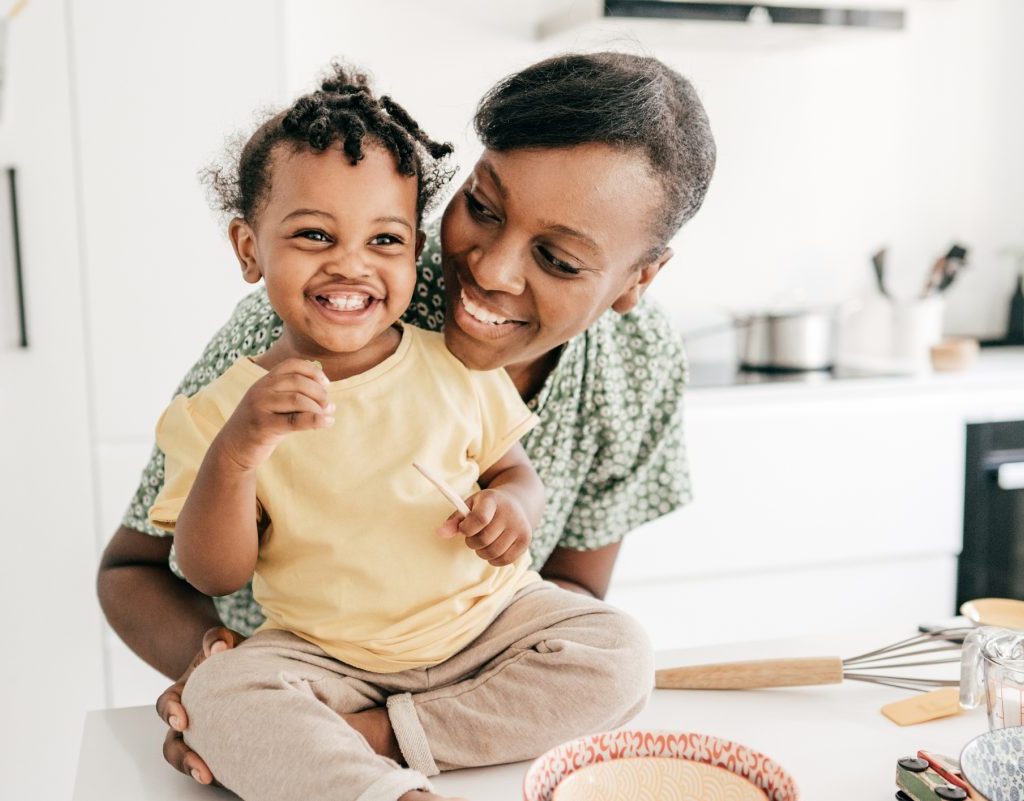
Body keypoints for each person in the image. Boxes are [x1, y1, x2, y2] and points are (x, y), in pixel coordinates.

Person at [97, 51, 716, 788]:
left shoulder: (636, 359)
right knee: (228, 697)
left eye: (556, 257)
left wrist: (509, 511)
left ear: (638, 279)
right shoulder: (323, 318)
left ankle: (356, 748)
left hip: (466, 654)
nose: (491, 270)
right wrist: (217, 677)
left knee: (621, 655)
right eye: (482, 207)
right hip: (309, 657)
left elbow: (573, 588)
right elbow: (133, 569)